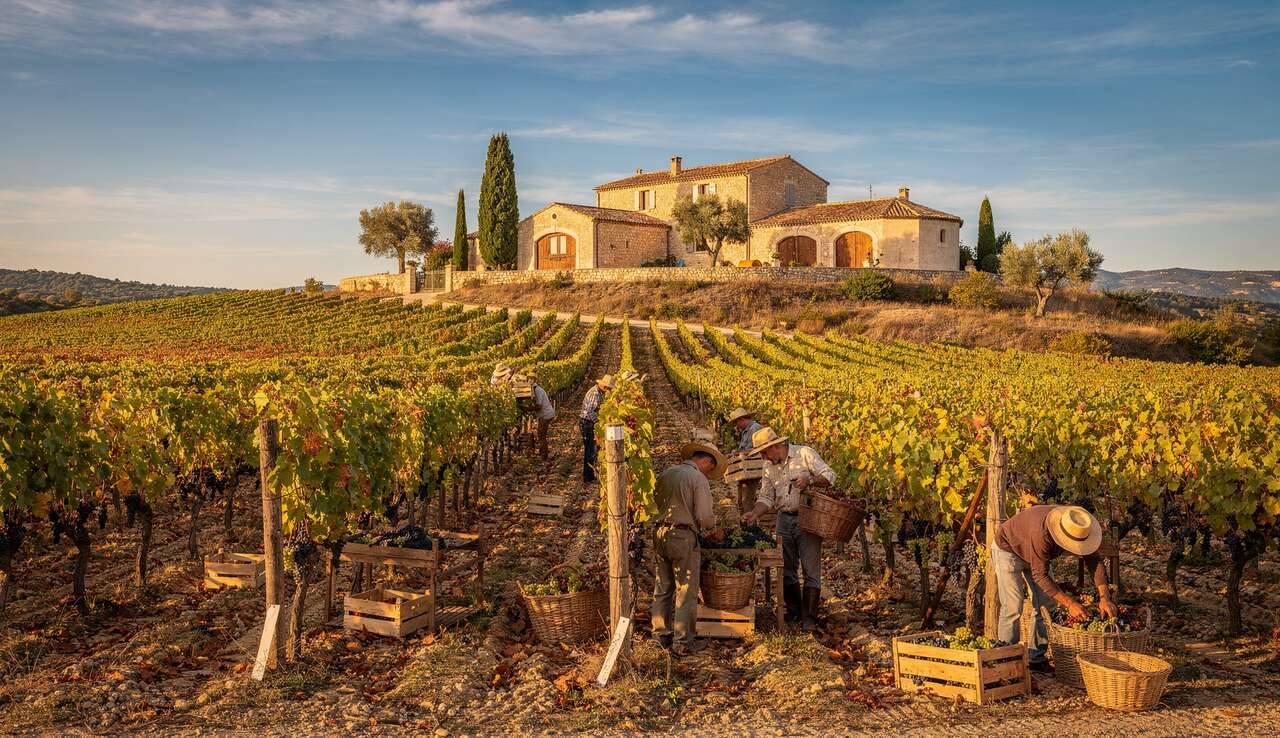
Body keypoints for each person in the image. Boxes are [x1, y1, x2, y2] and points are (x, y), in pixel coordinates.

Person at [994, 504, 1115, 673]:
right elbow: (1040, 575)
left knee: (1047, 606)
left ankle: (1035, 659)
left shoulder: (1077, 526)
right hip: (1008, 549)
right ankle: (1005, 664)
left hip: (1036, 554)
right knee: (1013, 606)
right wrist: (1070, 604)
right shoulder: (1042, 534)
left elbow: (1095, 561)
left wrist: (1105, 598)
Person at [742, 426, 835, 631]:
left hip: (808, 517)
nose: (764, 457)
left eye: (765, 452)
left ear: (776, 446)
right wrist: (755, 513)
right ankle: (794, 611)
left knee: (811, 569)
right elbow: (766, 497)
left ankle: (810, 617)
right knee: (786, 567)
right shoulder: (769, 467)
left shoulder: (804, 454)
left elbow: (830, 476)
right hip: (784, 519)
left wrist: (810, 479)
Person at [651, 430, 726, 655]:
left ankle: (660, 635)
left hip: (660, 533)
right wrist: (714, 530)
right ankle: (682, 641)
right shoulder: (697, 478)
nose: (709, 472)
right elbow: (703, 516)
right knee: (685, 589)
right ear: (705, 460)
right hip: (683, 536)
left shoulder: (666, 473)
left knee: (662, 587)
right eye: (710, 468)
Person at [578, 374, 613, 483]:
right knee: (591, 450)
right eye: (610, 388)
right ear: (605, 387)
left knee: (591, 450)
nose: (610, 391)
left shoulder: (599, 392)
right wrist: (599, 423)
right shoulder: (595, 394)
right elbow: (590, 411)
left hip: (589, 423)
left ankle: (589, 475)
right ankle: (588, 477)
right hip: (587, 423)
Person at [516, 372, 555, 460]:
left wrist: (527, 409)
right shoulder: (535, 390)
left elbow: (539, 406)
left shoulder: (537, 390)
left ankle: (544, 456)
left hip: (546, 415)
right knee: (541, 434)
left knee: (541, 435)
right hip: (544, 414)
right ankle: (542, 453)